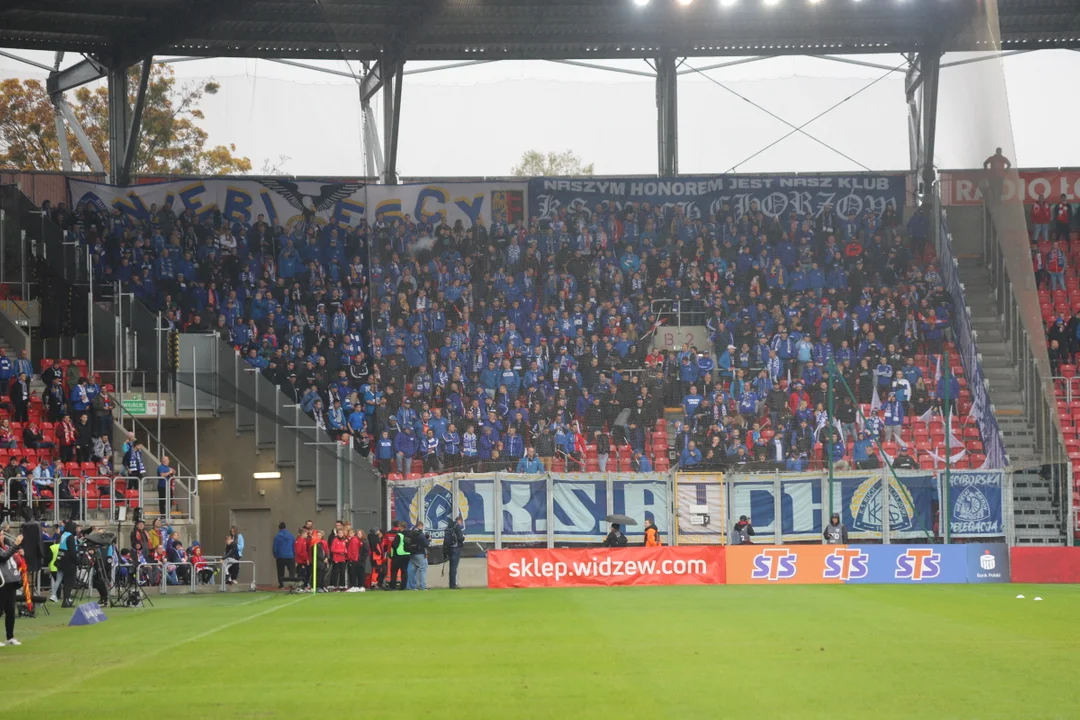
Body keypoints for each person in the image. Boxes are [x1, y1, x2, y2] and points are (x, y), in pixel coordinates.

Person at [0, 528, 24, 646]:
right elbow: (3, 557)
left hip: (10, 581)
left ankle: (10, 637)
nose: (2, 537)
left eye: (2, 535)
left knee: (10, 610)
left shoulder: (5, 546)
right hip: (1, 582)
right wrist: (15, 545)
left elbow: (9, 558)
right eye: (0, 535)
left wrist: (18, 554)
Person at [406, 521, 429, 591]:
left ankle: (411, 586)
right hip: (420, 553)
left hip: (412, 553)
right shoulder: (420, 534)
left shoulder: (412, 533)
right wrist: (428, 540)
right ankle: (423, 586)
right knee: (423, 570)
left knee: (411, 571)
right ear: (421, 526)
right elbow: (426, 544)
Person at [444, 515, 465, 590]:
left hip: (449, 548)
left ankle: (451, 583)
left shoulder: (449, 526)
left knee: (451, 567)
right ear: (460, 521)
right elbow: (460, 538)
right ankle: (453, 585)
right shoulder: (457, 526)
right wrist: (463, 538)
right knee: (454, 567)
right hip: (455, 548)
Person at [273, 522, 296, 590]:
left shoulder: (277, 536)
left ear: (279, 528)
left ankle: (281, 584)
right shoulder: (291, 535)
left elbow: (275, 547)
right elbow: (293, 546)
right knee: (292, 571)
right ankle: (291, 584)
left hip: (280, 556)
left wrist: (275, 555)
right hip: (290, 555)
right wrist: (294, 554)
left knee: (280, 571)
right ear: (285, 527)